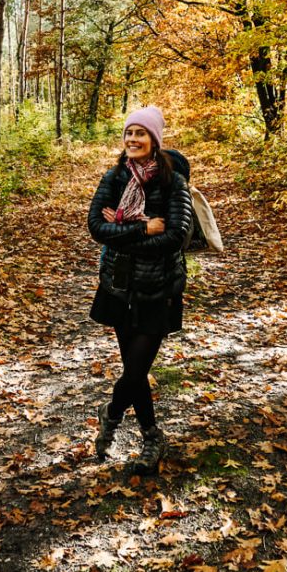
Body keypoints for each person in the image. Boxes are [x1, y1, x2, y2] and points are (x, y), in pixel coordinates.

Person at [87, 105, 193, 474]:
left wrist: (120, 231)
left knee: (136, 369)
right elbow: (95, 229)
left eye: (140, 133)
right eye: (129, 132)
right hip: (119, 285)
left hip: (157, 288)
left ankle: (112, 414)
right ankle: (152, 437)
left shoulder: (173, 182)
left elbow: (175, 237)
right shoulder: (114, 178)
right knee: (134, 370)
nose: (133, 139)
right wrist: (141, 229)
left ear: (154, 140)